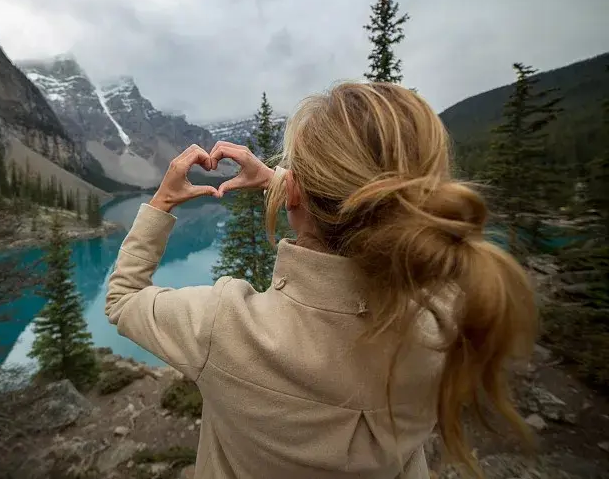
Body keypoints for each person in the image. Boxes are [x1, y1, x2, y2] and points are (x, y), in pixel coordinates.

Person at [105, 82, 537, 479]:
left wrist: (161, 202)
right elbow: (366, 211)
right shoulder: (445, 320)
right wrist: (282, 182)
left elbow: (122, 299)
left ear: (296, 193)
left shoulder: (221, 326)